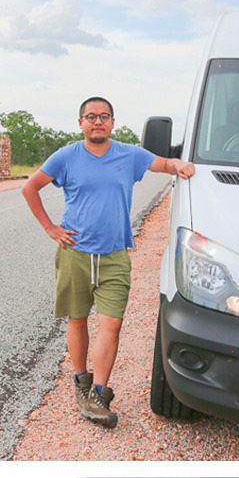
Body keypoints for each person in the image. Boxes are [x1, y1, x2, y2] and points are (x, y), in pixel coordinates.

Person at [22, 97, 195, 428]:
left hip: (115, 254)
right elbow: (30, 188)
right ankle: (81, 382)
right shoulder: (67, 156)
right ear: (81, 123)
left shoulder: (129, 155)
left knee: (111, 324)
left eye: (103, 116)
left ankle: (100, 393)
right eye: (90, 117)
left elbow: (164, 164)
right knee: (77, 319)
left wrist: (180, 166)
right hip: (76, 253)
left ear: (113, 122)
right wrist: (50, 228)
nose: (97, 122)